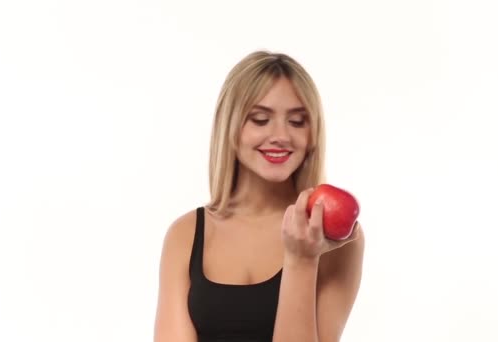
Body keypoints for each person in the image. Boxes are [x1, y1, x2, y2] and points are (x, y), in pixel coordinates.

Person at [153, 50, 365, 342]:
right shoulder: (185, 234)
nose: (280, 135)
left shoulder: (333, 237)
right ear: (230, 128)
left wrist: (302, 260)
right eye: (260, 119)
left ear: (312, 133)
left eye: (297, 121)